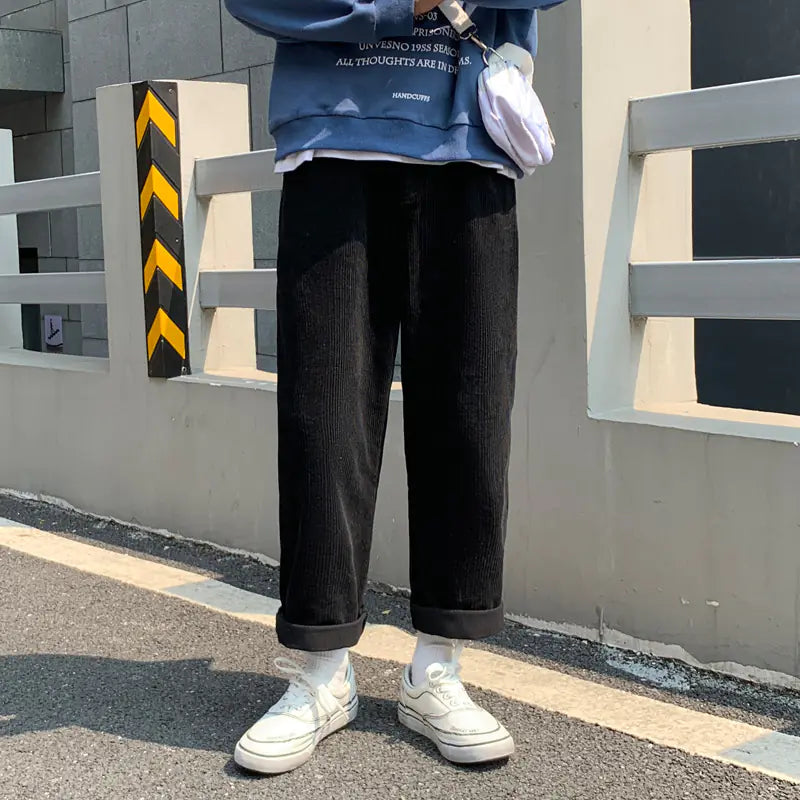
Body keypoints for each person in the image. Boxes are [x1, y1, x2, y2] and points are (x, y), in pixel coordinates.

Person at [223, 0, 565, 774]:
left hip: (470, 143)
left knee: (470, 414)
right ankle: (322, 672)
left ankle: (436, 669)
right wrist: (395, 6)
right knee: (324, 417)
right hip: (333, 143)